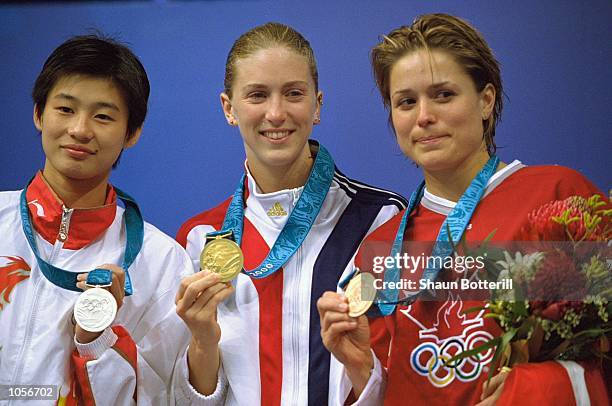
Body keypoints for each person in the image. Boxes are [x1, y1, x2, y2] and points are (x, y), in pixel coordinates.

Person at [317, 13, 609, 405]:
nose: (424, 116)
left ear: (486, 100)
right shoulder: (380, 254)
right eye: (406, 102)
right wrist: (361, 370)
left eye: (443, 95)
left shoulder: (558, 198)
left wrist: (535, 389)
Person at [173, 22, 406, 405]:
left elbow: (406, 375)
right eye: (257, 95)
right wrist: (202, 339)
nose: (276, 113)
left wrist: (362, 368)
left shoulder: (382, 220)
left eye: (294, 93)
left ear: (317, 105)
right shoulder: (201, 237)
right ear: (228, 108)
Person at [0, 34, 192, 404]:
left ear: (131, 133)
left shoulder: (162, 263)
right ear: (39, 114)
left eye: (103, 116)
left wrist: (97, 343)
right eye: (66, 109)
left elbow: (164, 396)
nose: (80, 130)